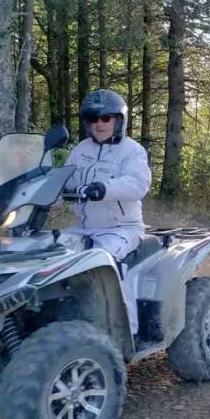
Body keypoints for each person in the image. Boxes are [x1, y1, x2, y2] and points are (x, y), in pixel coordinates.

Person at [65, 89, 151, 335]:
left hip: (122, 229)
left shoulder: (132, 151)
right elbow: (62, 180)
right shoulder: (80, 150)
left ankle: (126, 332)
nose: (100, 124)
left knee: (103, 259)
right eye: (93, 119)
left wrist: (104, 188)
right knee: (49, 253)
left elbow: (138, 184)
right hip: (84, 228)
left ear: (118, 120)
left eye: (106, 118)